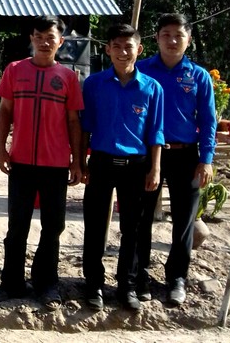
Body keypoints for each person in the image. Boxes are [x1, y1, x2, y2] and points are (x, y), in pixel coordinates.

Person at [0, 16, 84, 309]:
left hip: (56, 165)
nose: (44, 42)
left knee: (53, 227)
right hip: (21, 163)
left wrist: (76, 161)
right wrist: (1, 149)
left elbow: (74, 121)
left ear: (60, 42)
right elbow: (5, 110)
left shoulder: (68, 77)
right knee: (17, 226)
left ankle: (47, 284)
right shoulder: (15, 70)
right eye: (39, 36)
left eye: (50, 37)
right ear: (31, 38)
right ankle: (11, 283)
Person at [80, 23, 163, 312]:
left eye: (129, 47)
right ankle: (93, 283)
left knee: (133, 229)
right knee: (94, 225)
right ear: (107, 49)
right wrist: (80, 162)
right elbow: (85, 127)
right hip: (101, 163)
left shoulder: (152, 88)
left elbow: (156, 133)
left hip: (136, 166)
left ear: (139, 49)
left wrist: (155, 169)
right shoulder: (94, 84)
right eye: (116, 46)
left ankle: (127, 285)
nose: (123, 52)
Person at [135, 13, 217, 306]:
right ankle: (139, 274)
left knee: (184, 219)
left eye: (178, 35)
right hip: (147, 154)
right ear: (156, 38)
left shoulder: (198, 76)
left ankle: (177, 278)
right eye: (166, 34)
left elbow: (208, 120)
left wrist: (206, 159)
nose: (172, 40)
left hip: (186, 155)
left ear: (188, 40)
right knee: (141, 216)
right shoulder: (141, 70)